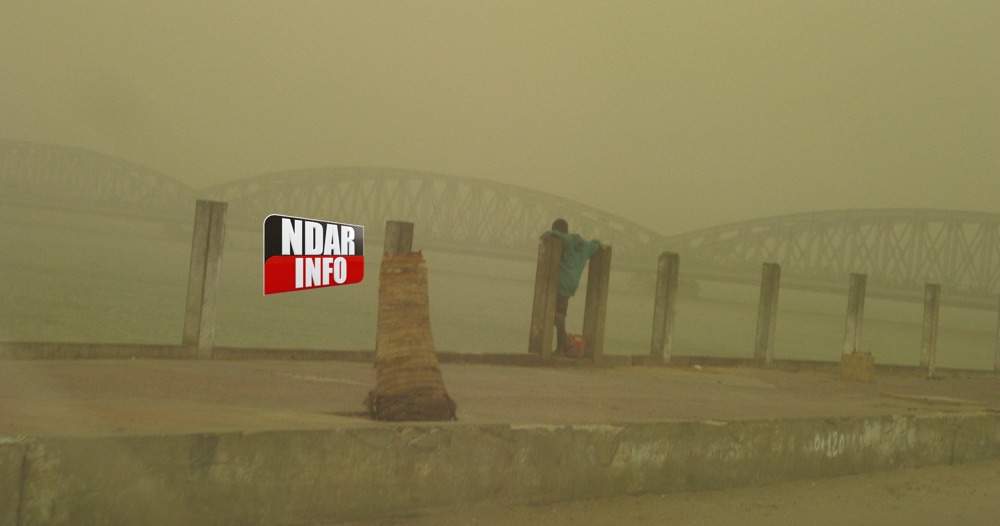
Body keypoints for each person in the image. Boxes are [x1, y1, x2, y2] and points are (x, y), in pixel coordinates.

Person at [542, 218, 601, 354]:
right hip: (572, 285)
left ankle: (564, 342)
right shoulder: (586, 246)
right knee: (559, 313)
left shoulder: (566, 240)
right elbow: (597, 244)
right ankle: (561, 347)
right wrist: (595, 242)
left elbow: (553, 234)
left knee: (557, 315)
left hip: (561, 282)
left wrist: (547, 234)